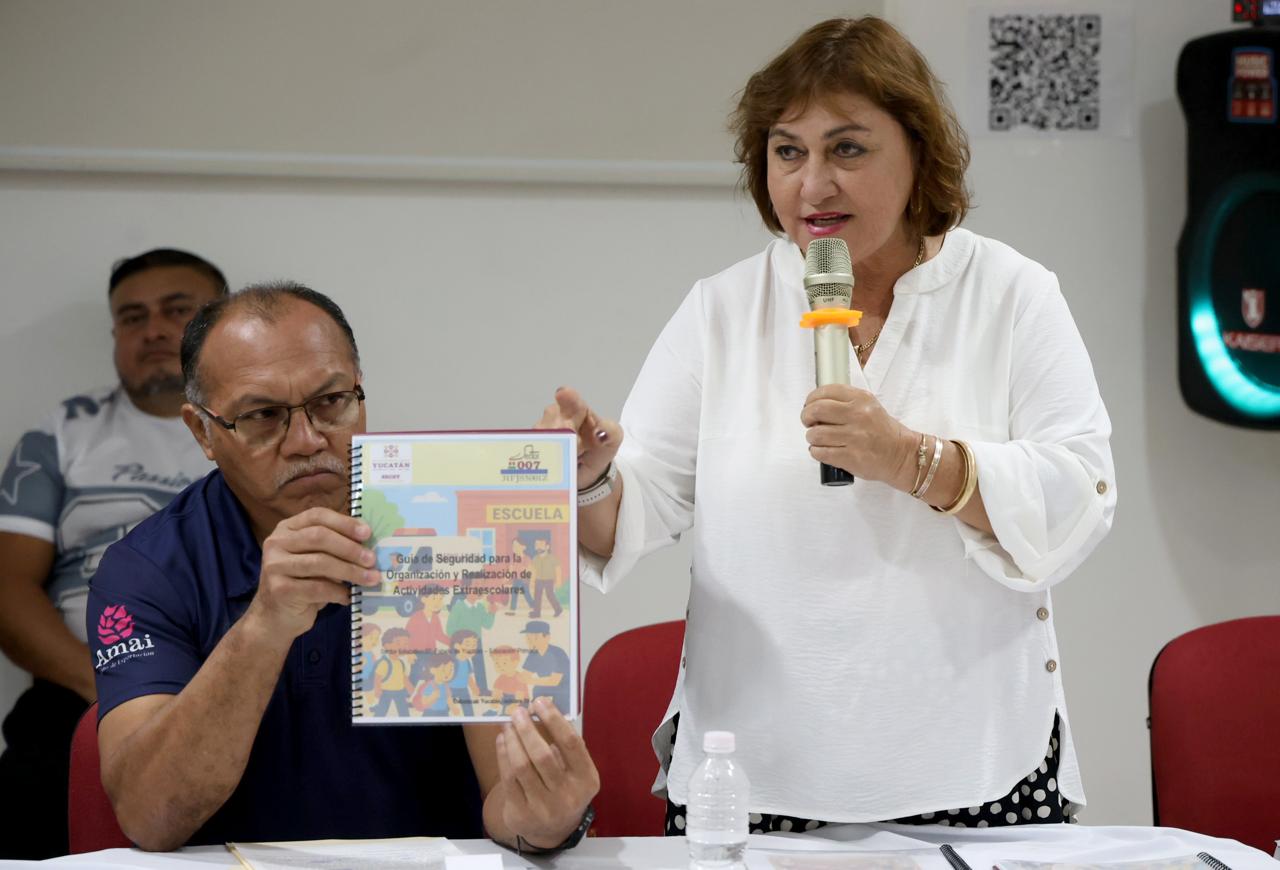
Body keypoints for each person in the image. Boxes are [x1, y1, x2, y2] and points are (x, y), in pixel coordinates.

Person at [537, 15, 1115, 835]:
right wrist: (589, 476)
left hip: (976, 763)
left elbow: (1079, 494)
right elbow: (630, 515)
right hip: (756, 773)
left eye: (847, 149)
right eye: (788, 152)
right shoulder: (722, 310)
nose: (813, 185)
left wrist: (915, 460)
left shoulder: (1011, 294)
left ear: (918, 154)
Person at [87, 283, 597, 852]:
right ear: (202, 430)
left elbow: (510, 803)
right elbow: (150, 816)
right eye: (262, 415)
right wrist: (264, 625)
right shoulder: (149, 569)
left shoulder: (452, 522)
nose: (307, 440)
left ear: (360, 390)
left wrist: (543, 818)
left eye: (331, 402)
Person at [0, 248, 225, 859]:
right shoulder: (63, 432)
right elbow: (9, 589)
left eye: (176, 310)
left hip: (242, 677)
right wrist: (105, 684)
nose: (152, 329)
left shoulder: (265, 424)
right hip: (80, 686)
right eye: (131, 317)